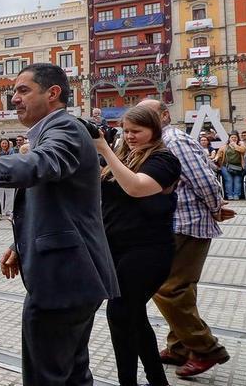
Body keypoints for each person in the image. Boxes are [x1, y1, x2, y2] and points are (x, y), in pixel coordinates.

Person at [0, 63, 118, 385]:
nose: (13, 98)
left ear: (53, 93)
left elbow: (43, 163)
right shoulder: (52, 131)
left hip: (62, 280)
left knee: (45, 377)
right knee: (72, 373)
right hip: (72, 276)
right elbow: (56, 203)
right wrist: (20, 245)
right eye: (13, 92)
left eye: (23, 90)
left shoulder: (65, 129)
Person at [137, 99, 232, 377]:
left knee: (169, 289)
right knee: (180, 289)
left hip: (188, 223)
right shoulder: (162, 139)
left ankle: (205, 348)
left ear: (165, 115)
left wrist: (216, 207)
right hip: (176, 223)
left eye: (149, 115)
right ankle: (179, 347)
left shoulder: (173, 140)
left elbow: (203, 179)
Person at [94, 106, 181, 386]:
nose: (129, 136)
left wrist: (105, 149)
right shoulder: (124, 155)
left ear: (153, 131)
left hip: (148, 250)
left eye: (136, 131)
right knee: (135, 316)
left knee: (119, 313)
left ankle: (127, 382)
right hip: (117, 248)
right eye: (126, 130)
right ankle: (157, 379)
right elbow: (103, 182)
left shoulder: (164, 159)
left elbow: (135, 187)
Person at [216, 132, 245, 200]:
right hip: (226, 166)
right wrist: (216, 157)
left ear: (238, 138)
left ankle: (236, 195)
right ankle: (229, 195)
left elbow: (243, 151)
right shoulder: (224, 146)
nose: (233, 138)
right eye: (232, 137)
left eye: (235, 137)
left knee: (237, 181)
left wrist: (235, 145)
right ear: (229, 138)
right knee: (228, 180)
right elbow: (219, 153)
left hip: (238, 166)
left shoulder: (241, 145)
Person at [0, 138, 15, 220]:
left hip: (10, 174)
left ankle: (8, 210)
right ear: (0, 144)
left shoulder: (12, 152)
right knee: (0, 193)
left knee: (10, 193)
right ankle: (0, 210)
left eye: (5, 143)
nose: (4, 145)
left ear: (8, 144)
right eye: (3, 143)